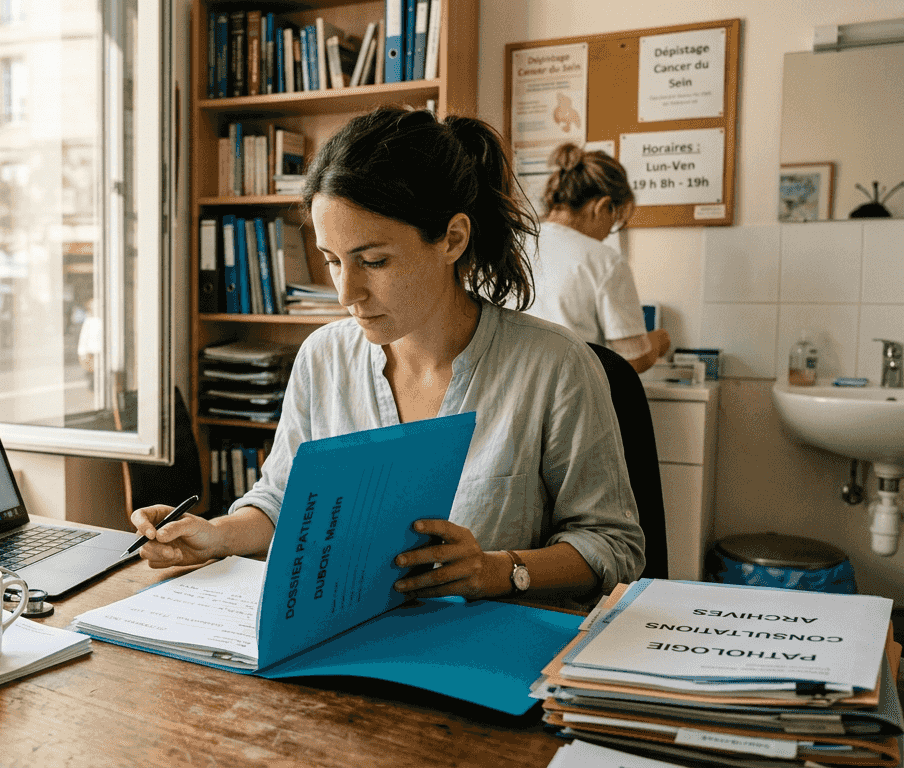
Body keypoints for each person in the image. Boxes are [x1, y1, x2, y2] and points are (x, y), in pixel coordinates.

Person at [130, 108, 644, 607]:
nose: (347, 293)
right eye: (333, 261)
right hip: (349, 643)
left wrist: (497, 570)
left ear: (452, 239)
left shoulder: (556, 367)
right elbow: (282, 504)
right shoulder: (322, 357)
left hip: (490, 654)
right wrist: (215, 535)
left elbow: (613, 546)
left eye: (373, 261)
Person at [525, 143, 671, 374]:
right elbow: (631, 361)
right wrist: (659, 341)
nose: (606, 234)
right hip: (570, 398)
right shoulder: (604, 260)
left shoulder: (513, 243)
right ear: (602, 207)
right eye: (614, 223)